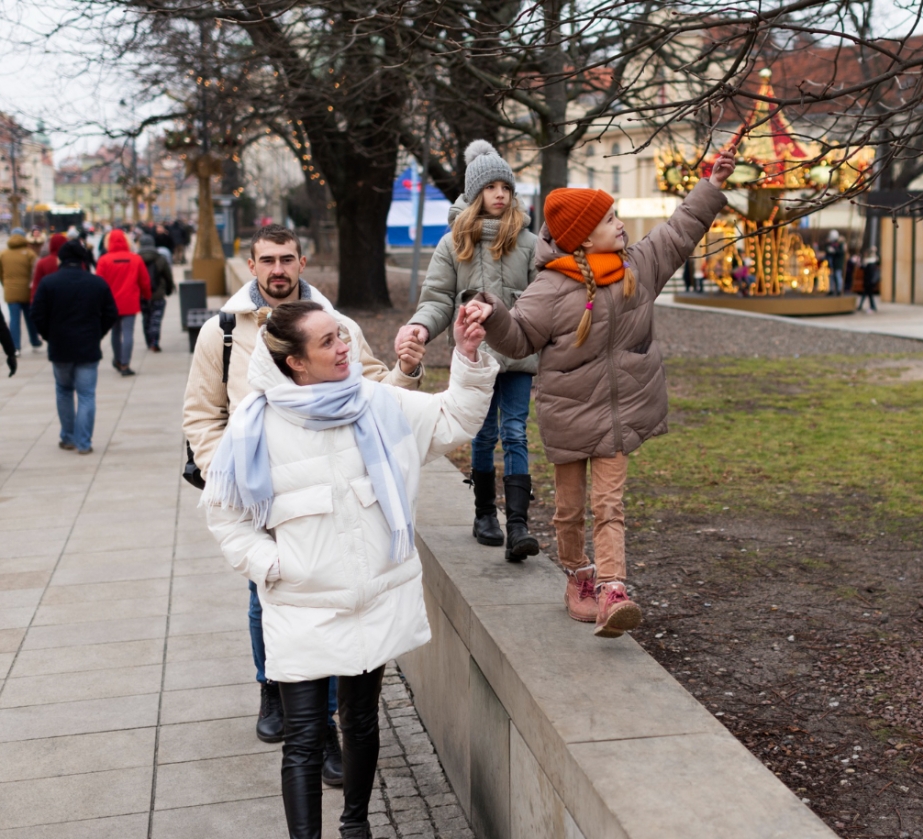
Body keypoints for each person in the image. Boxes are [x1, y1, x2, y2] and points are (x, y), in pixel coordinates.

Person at [204, 301, 497, 839]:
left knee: (360, 722)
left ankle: (356, 826)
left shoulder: (378, 403)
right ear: (295, 363)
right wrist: (271, 565)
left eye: (341, 334)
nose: (345, 347)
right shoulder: (256, 427)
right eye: (328, 342)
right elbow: (225, 518)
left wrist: (469, 354)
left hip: (372, 598)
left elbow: (454, 418)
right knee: (304, 735)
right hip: (300, 604)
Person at [183, 223, 425, 783]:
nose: (277, 270)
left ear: (302, 260)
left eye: (286, 258)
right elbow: (201, 413)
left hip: (331, 486)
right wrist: (237, 479)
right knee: (265, 592)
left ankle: (333, 726)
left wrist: (408, 369)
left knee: (335, 609)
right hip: (265, 493)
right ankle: (275, 690)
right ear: (251, 264)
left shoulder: (333, 324)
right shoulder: (222, 330)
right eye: (266, 259)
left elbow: (376, 393)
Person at [466, 147, 735, 636]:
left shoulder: (637, 267)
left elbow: (680, 230)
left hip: (619, 417)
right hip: (569, 418)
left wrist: (711, 184)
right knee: (569, 512)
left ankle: (614, 590)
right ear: (583, 237)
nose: (621, 224)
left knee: (609, 505)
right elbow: (521, 336)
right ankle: (579, 574)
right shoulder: (549, 288)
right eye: (610, 219)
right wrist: (494, 314)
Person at [393, 140, 542, 561]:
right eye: (490, 186)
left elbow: (540, 300)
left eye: (506, 187)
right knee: (482, 432)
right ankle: (483, 514)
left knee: (514, 432)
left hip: (517, 359)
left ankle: (518, 525)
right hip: (475, 359)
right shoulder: (453, 243)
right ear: (474, 193)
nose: (499, 194)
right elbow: (438, 297)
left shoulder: (529, 244)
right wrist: (421, 327)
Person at [31, 242, 119, 454]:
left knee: (63, 391)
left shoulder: (48, 283)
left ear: (60, 259)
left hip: (60, 346)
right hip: (87, 345)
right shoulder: (96, 283)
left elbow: (37, 314)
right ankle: (84, 442)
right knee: (87, 394)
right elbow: (111, 312)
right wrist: (98, 333)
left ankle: (68, 437)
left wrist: (48, 335)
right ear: (82, 260)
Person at [95, 229, 151, 376]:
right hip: (130, 301)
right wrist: (147, 295)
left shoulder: (104, 260)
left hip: (110, 303)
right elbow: (144, 281)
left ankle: (118, 360)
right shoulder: (135, 259)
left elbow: (99, 283)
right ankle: (125, 364)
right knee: (128, 334)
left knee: (115, 333)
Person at [2, 227, 41, 355]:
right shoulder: (29, 253)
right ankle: (34, 341)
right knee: (30, 317)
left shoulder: (3, 254)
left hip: (10, 290)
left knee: (14, 319)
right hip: (27, 290)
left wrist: (6, 284)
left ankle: (16, 346)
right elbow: (35, 272)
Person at [137, 234, 175, 352]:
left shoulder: (136, 259)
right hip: (158, 293)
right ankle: (155, 342)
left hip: (142, 294)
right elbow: (167, 276)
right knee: (156, 319)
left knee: (146, 318)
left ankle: (148, 341)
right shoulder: (161, 258)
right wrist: (169, 289)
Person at [30, 233, 67, 301]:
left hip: (47, 301)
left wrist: (34, 302)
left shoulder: (42, 262)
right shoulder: (72, 261)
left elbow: (36, 285)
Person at [858, 246, 880, 313]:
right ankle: (871, 306)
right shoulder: (870, 262)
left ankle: (866, 306)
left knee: (867, 294)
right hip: (869, 281)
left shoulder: (870, 263)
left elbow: (867, 271)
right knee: (867, 294)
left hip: (869, 281)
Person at [824, 230, 846, 295]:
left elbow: (841, 252)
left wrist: (834, 251)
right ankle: (831, 290)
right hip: (831, 263)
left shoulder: (840, 244)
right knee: (831, 277)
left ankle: (839, 290)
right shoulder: (830, 244)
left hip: (838, 263)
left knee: (838, 276)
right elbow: (827, 252)